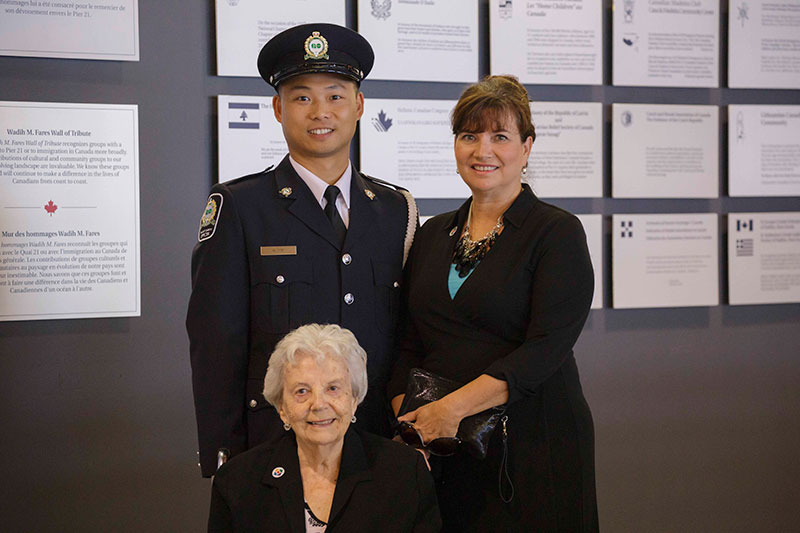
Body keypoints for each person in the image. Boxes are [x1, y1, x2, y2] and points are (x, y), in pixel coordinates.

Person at [188, 23, 416, 478]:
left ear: (359, 105)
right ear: (277, 108)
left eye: (335, 95)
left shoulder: (396, 209)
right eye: (302, 96)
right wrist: (227, 455)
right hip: (274, 446)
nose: (320, 112)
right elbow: (216, 341)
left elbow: (410, 334)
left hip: (376, 442)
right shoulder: (240, 207)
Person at [387, 75, 598, 531]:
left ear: (526, 147)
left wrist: (452, 409)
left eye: (499, 136)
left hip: (529, 447)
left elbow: (544, 350)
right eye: (469, 136)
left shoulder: (555, 233)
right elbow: (406, 341)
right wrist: (412, 427)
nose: (482, 151)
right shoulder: (430, 233)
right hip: (442, 450)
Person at [208, 324, 441, 532]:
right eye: (302, 391)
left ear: (354, 399)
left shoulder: (406, 473)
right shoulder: (237, 482)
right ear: (281, 407)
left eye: (333, 388)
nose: (318, 404)